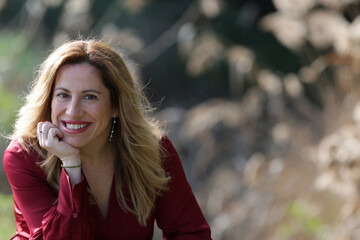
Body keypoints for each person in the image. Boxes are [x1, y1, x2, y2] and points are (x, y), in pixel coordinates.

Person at [3, 40, 212, 240]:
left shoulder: (151, 151)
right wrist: (71, 166)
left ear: (116, 107)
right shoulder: (24, 157)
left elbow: (191, 232)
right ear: (49, 100)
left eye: (90, 97)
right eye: (63, 95)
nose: (73, 111)